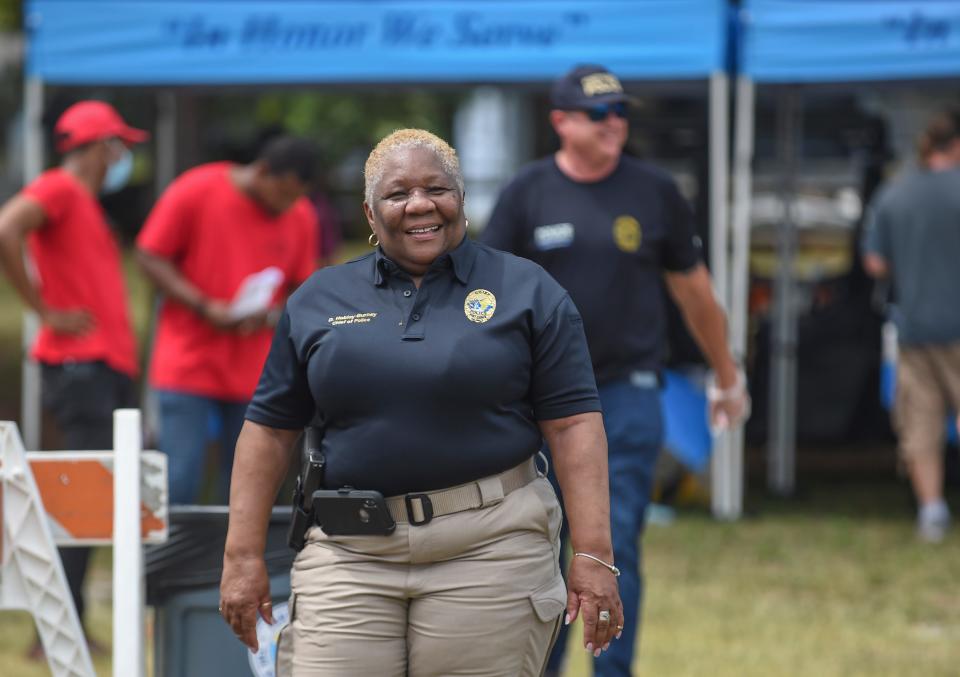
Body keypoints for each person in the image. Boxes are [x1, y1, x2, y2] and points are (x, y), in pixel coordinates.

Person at [219, 129, 624, 676]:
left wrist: (593, 554)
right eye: (397, 193)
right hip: (349, 551)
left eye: (437, 188)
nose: (419, 205)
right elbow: (268, 431)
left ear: (462, 199)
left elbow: (575, 424)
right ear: (369, 211)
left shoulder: (528, 291)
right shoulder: (318, 299)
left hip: (491, 547)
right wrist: (241, 558)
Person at [481, 65, 748, 676]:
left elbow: (695, 293)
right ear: (561, 122)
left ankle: (613, 670)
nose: (615, 124)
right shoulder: (527, 192)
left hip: (625, 396)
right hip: (537, 404)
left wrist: (728, 375)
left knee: (613, 546)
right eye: (599, 114)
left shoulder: (654, 191)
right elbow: (486, 298)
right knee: (540, 550)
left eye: (621, 112)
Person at [0, 100, 147, 653]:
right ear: (102, 145)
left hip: (100, 365)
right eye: (120, 145)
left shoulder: (81, 201)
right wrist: (43, 309)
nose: (123, 157)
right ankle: (56, 628)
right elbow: (6, 227)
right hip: (79, 365)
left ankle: (62, 623)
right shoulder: (60, 189)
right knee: (83, 496)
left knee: (96, 496)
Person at [135, 136, 318, 505]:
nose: (287, 205)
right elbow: (149, 255)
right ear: (263, 171)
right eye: (282, 192)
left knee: (247, 481)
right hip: (186, 362)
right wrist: (204, 306)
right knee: (179, 476)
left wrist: (272, 313)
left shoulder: (300, 214)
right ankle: (168, 561)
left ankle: (232, 561)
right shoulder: (196, 189)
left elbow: (303, 286)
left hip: (255, 369)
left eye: (296, 196)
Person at [862, 110, 960, 543]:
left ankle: (932, 512)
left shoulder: (894, 193)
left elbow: (875, 262)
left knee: (921, 424)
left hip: (914, 326)